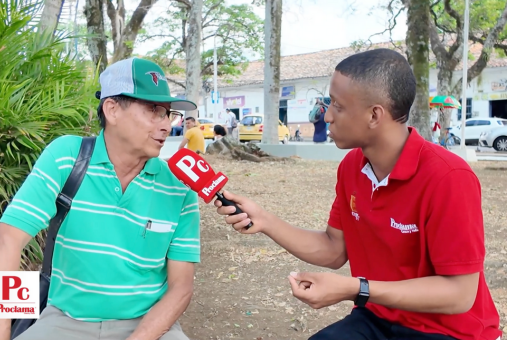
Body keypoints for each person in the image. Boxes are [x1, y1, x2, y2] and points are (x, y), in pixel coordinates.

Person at [213, 48, 501, 340]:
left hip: (449, 331)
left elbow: (460, 295)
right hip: (377, 317)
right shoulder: (352, 166)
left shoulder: (448, 177)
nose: (327, 116)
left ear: (375, 115)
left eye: (337, 105)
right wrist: (264, 220)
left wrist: (356, 288)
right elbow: (334, 248)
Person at [0, 57, 201, 340]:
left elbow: (181, 287)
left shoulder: (179, 188)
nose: (166, 125)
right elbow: (9, 240)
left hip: (146, 324)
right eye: (154, 110)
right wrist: (3, 330)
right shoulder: (67, 157)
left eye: (168, 114)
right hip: (65, 320)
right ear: (112, 109)